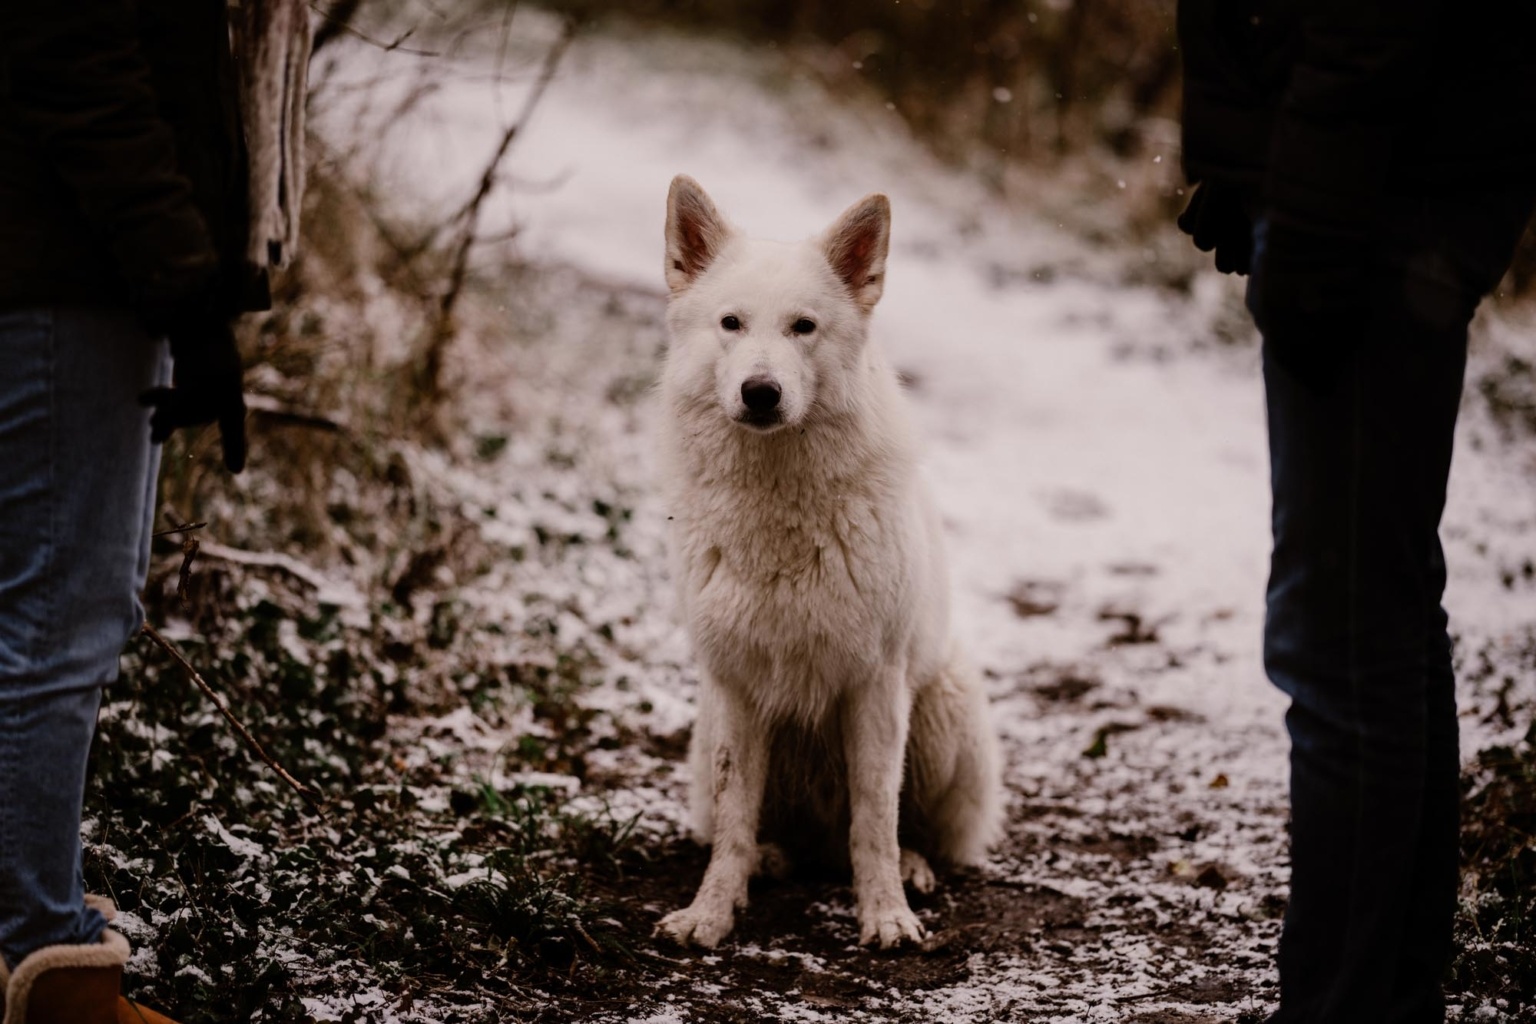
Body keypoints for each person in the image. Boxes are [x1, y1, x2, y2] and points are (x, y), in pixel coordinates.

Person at [1177, 2, 1536, 1020]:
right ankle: (1385, 994)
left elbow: (1372, 20)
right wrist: (1257, 162)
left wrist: (1312, 209)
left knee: (1338, 630)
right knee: (1379, 607)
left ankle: (1343, 1005)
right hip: (1383, 176)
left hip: (1382, 190)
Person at [0, 1, 307, 1020]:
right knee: (59, 623)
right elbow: (74, 55)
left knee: (61, 613)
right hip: (62, 268)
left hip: (82, 262)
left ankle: (31, 927)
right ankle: (43, 963)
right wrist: (187, 286)